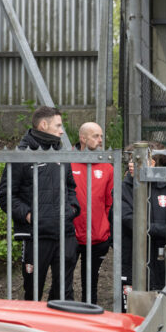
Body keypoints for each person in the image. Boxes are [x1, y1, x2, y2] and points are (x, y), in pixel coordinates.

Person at [0, 106, 80, 301]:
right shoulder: (22, 154)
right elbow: (6, 195)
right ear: (44, 125)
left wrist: (72, 209)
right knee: (33, 293)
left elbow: (70, 187)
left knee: (64, 294)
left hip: (64, 233)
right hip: (36, 236)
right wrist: (28, 215)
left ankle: (57, 330)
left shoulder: (62, 153)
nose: (62, 131)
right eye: (58, 125)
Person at [71, 122, 113, 305]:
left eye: (101, 136)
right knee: (63, 280)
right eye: (96, 136)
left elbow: (109, 204)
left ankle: (90, 313)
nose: (100, 140)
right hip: (71, 236)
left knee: (91, 284)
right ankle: (63, 315)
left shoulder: (107, 168)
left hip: (98, 237)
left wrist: (106, 229)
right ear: (83, 138)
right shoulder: (67, 163)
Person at [122, 142, 166, 307]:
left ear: (152, 163)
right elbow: (130, 221)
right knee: (132, 309)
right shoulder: (124, 188)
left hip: (163, 259)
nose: (131, 164)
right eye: (130, 160)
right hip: (132, 259)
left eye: (137, 160)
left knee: (162, 305)